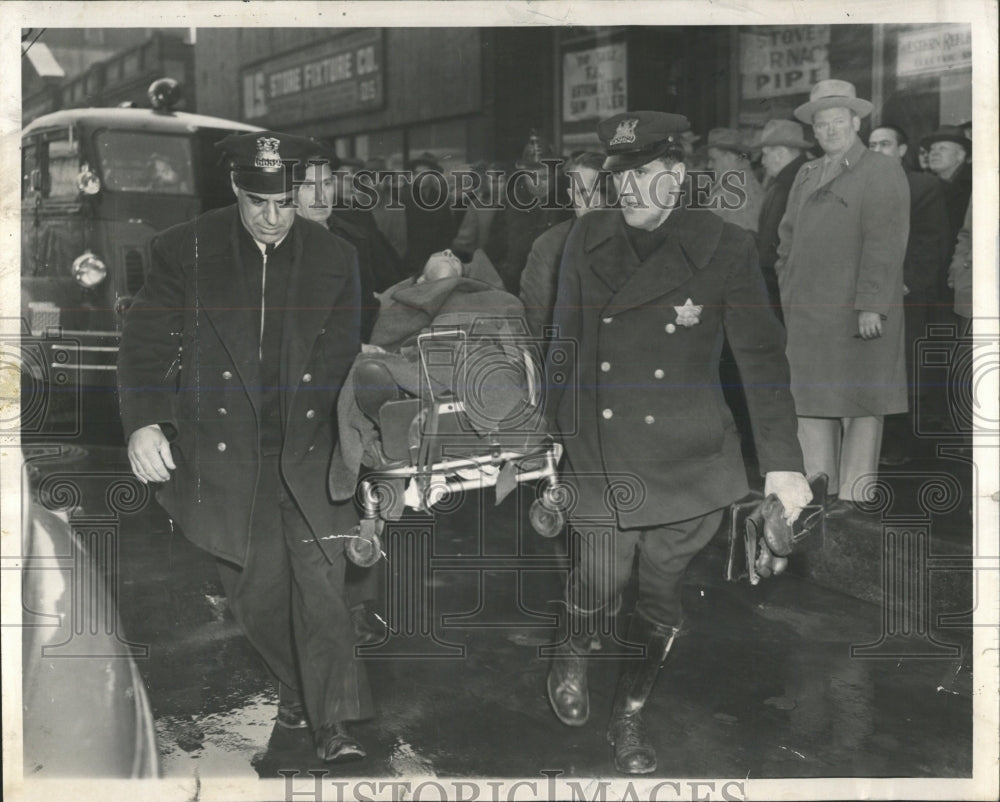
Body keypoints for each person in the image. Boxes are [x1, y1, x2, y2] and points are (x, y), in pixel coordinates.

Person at [544, 110, 811, 775]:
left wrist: (784, 466)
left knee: (661, 595)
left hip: (688, 460)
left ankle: (629, 715)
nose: (625, 192)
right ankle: (573, 646)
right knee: (601, 576)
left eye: (640, 178)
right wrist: (545, 440)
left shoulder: (724, 246)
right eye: (617, 178)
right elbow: (564, 344)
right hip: (601, 450)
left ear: (678, 175)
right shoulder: (586, 237)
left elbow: (761, 360)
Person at [117, 131, 374, 764]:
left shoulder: (336, 257)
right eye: (257, 201)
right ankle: (298, 687)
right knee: (256, 594)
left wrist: (369, 441)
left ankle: (332, 722)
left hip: (311, 446)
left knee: (322, 586)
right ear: (236, 188)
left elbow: (344, 354)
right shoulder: (184, 249)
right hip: (228, 449)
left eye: (286, 202)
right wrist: (144, 420)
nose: (271, 216)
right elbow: (147, 340)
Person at [775, 79, 909, 516]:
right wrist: (786, 286)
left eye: (838, 121)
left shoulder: (880, 169)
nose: (830, 130)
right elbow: (786, 238)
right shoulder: (807, 173)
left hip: (856, 309)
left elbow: (885, 243)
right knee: (811, 398)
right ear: (813, 131)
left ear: (856, 122)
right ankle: (820, 488)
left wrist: (872, 303)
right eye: (822, 124)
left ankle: (856, 493)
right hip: (809, 310)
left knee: (861, 400)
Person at [867, 124, 952, 464]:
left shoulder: (922, 185)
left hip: (905, 295)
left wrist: (907, 281)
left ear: (903, 150)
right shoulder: (860, 185)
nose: (877, 150)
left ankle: (899, 443)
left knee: (902, 371)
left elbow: (932, 241)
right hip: (868, 293)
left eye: (885, 144)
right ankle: (874, 443)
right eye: (871, 144)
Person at [518, 151, 611, 339]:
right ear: (572, 196)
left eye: (601, 190)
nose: (593, 202)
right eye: (583, 192)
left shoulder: (637, 239)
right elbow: (538, 327)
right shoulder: (549, 248)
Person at [484, 131, 573, 295]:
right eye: (531, 176)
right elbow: (492, 252)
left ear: (555, 174)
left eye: (545, 177)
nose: (538, 184)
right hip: (516, 292)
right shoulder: (510, 204)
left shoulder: (570, 203)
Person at [757, 119, 812, 317]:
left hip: (783, 291)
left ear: (780, 154)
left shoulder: (785, 186)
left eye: (765, 155)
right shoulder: (802, 177)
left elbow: (770, 250)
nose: (762, 162)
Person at [705, 127, 764, 234]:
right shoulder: (738, 181)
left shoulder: (736, 188)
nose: (709, 165)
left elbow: (737, 240)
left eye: (713, 159)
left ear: (730, 157)